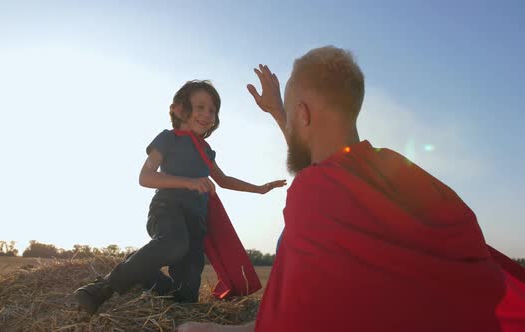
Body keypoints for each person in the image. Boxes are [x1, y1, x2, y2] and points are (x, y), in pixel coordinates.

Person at [177, 46, 525, 332]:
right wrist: (280, 111)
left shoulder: (314, 194)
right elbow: (322, 161)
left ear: (303, 114)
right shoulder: (408, 176)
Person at [74, 80, 286, 315]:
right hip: (168, 208)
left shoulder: (206, 150)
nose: (207, 114)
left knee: (185, 298)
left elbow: (223, 180)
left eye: (212, 110)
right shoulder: (168, 138)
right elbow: (145, 176)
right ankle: (102, 288)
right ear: (179, 109)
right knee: (174, 243)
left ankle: (140, 269)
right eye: (200, 107)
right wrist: (189, 182)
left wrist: (259, 188)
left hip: (196, 221)